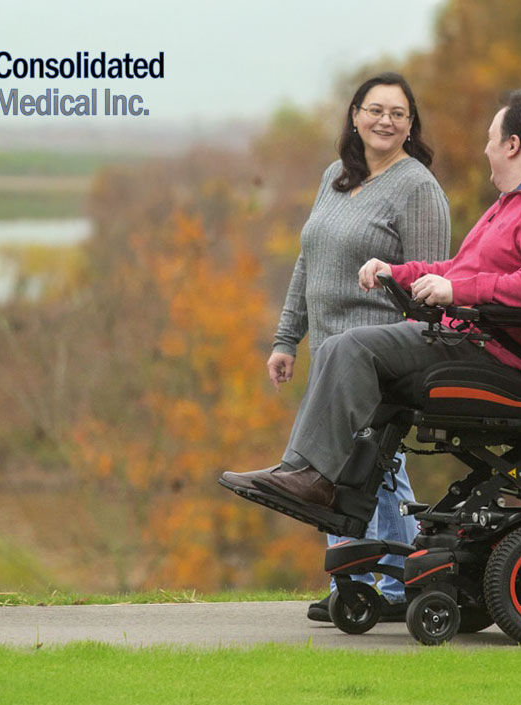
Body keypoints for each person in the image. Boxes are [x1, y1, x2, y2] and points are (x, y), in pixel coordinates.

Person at [221, 88, 521, 517]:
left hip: (499, 353)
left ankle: (314, 479)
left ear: (512, 145)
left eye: (491, 139)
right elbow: (459, 267)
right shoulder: (516, 202)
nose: (486, 149)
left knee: (353, 347)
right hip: (471, 338)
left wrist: (456, 292)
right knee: (339, 347)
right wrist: (397, 272)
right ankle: (315, 482)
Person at [220, 72, 450, 622]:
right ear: (354, 115)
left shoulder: (418, 188)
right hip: (331, 352)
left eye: (398, 113)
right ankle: (367, 585)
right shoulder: (336, 177)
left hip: (379, 356)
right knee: (359, 466)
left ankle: (386, 584)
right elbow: (309, 261)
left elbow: (430, 282)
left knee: (372, 465)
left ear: (411, 125)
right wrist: (287, 339)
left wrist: (402, 358)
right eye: (375, 110)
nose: (385, 121)